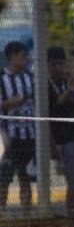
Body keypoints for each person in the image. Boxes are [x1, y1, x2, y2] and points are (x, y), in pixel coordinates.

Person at [47, 46, 74, 219]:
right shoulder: (45, 86)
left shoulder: (69, 82)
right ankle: (71, 217)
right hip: (61, 139)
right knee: (73, 179)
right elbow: (52, 108)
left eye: (61, 64)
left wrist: (73, 88)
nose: (59, 68)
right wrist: (69, 91)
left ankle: (73, 216)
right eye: (54, 65)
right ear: (47, 65)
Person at [0, 41, 35, 211]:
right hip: (8, 136)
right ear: (11, 57)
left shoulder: (30, 77)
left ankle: (26, 214)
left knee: (25, 175)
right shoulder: (2, 78)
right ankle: (2, 214)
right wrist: (8, 103)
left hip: (29, 135)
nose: (26, 59)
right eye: (22, 56)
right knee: (4, 177)